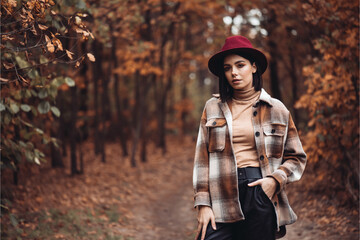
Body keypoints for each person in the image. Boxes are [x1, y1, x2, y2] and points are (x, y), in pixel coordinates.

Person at [193, 35, 307, 240]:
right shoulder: (212, 108)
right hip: (221, 195)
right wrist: (203, 204)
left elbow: (296, 157)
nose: (234, 73)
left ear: (254, 67)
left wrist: (275, 180)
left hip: (259, 192)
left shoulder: (277, 109)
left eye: (240, 65)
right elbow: (202, 160)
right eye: (227, 68)